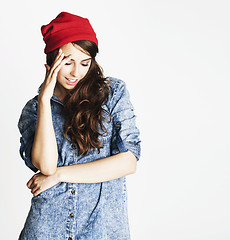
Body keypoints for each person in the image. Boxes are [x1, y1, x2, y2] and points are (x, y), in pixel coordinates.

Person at [17, 11, 141, 240]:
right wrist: (45, 100)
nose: (76, 73)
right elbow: (46, 167)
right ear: (51, 61)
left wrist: (60, 175)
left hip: (102, 229)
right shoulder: (33, 110)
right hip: (47, 229)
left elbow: (128, 162)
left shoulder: (112, 95)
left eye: (85, 63)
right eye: (67, 62)